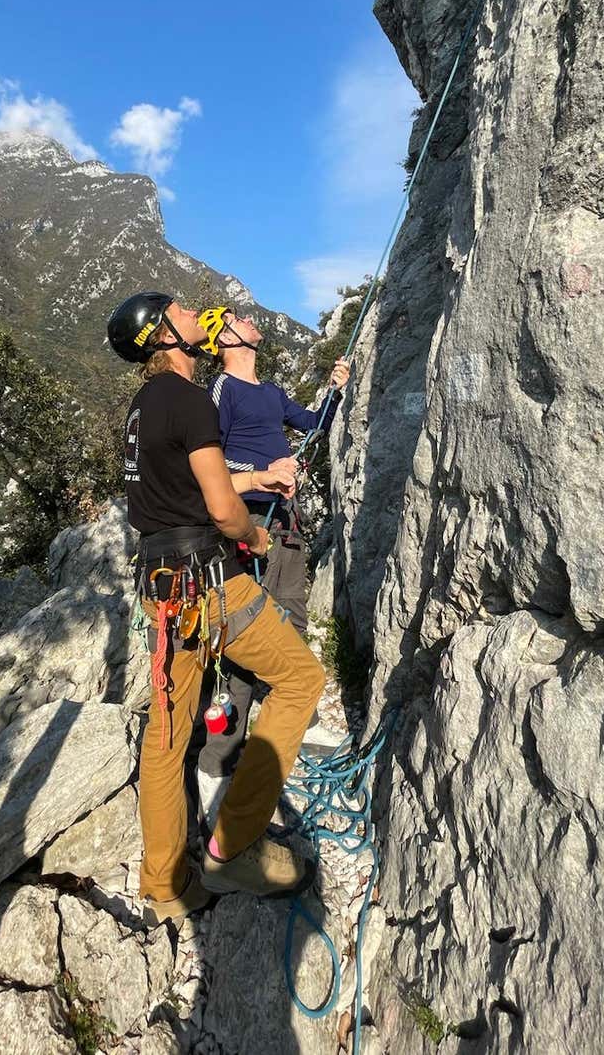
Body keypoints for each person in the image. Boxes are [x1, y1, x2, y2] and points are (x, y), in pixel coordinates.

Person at [107, 290, 326, 926]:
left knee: (167, 736)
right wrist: (253, 536)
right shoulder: (189, 398)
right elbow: (221, 508)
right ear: (163, 336)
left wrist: (255, 479)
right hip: (211, 582)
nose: (191, 314)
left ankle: (165, 883)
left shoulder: (144, 408)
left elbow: (187, 483)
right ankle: (232, 847)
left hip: (162, 588)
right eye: (179, 311)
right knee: (301, 679)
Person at [191, 305, 350, 821]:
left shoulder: (271, 391)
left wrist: (334, 392)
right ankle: (218, 760)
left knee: (292, 612)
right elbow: (210, 461)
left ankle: (296, 718)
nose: (248, 318)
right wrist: (265, 471)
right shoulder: (222, 391)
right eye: (236, 318)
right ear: (225, 340)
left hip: (282, 519)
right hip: (248, 520)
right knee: (245, 633)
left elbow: (313, 423)